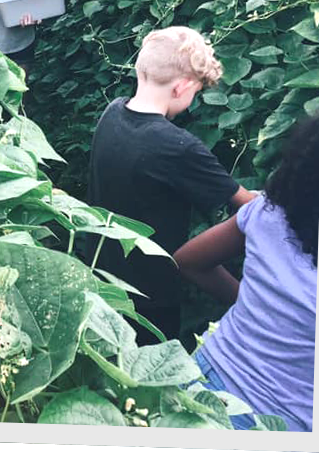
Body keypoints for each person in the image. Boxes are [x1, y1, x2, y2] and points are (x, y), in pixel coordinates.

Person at [85, 26, 256, 344]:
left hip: (103, 274)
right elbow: (249, 206)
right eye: (196, 91)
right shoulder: (177, 146)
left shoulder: (112, 114)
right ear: (182, 88)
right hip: (151, 294)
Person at [174, 113, 319, 432]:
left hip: (203, 380)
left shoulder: (271, 211)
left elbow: (188, 260)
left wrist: (256, 305)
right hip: (281, 425)